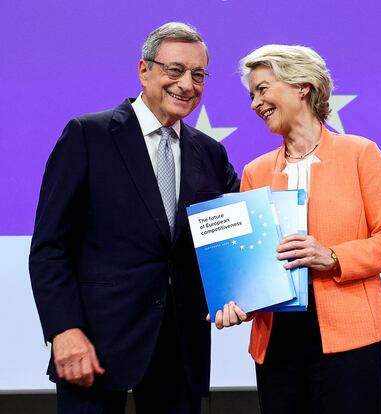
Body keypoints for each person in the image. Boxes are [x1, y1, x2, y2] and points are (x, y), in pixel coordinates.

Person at [29, 22, 239, 414]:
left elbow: (239, 232)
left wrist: (245, 290)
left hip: (180, 353)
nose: (186, 84)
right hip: (93, 344)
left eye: (198, 74)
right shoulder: (87, 135)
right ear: (144, 70)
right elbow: (49, 247)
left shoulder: (210, 153)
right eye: (174, 70)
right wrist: (63, 329)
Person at [214, 44, 381, 414]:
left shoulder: (361, 153)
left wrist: (333, 256)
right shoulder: (255, 172)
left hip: (351, 340)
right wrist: (235, 301)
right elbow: (249, 266)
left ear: (302, 85)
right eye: (252, 94)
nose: (255, 103)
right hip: (277, 345)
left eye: (263, 89)